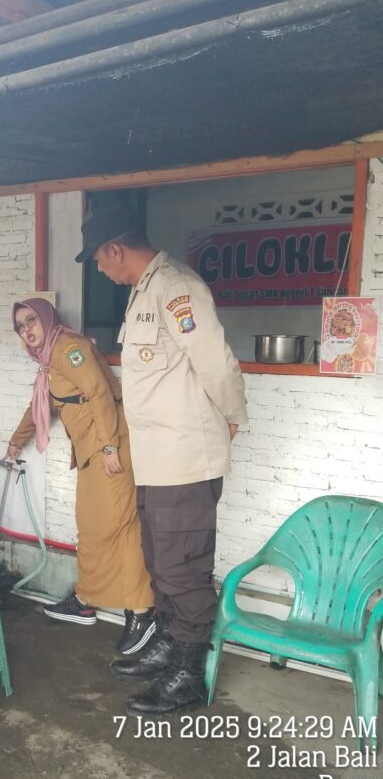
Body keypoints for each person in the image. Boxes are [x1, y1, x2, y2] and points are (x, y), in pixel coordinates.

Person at [75, 200, 248, 715]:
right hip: (156, 461)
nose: (100, 269)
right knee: (160, 562)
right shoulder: (143, 292)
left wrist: (233, 415)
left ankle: (189, 677)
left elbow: (216, 362)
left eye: (99, 260)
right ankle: (171, 646)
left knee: (183, 569)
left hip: (184, 459)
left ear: (115, 248)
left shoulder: (177, 287)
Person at [7, 297, 155, 654]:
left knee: (120, 527)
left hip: (111, 448)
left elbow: (99, 392)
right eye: (20, 326)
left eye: (31, 320)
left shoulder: (69, 349)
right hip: (92, 451)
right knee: (91, 526)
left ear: (47, 318)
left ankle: (142, 611)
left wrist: (108, 449)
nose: (27, 330)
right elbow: (40, 405)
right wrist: (15, 443)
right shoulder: (47, 360)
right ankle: (86, 599)